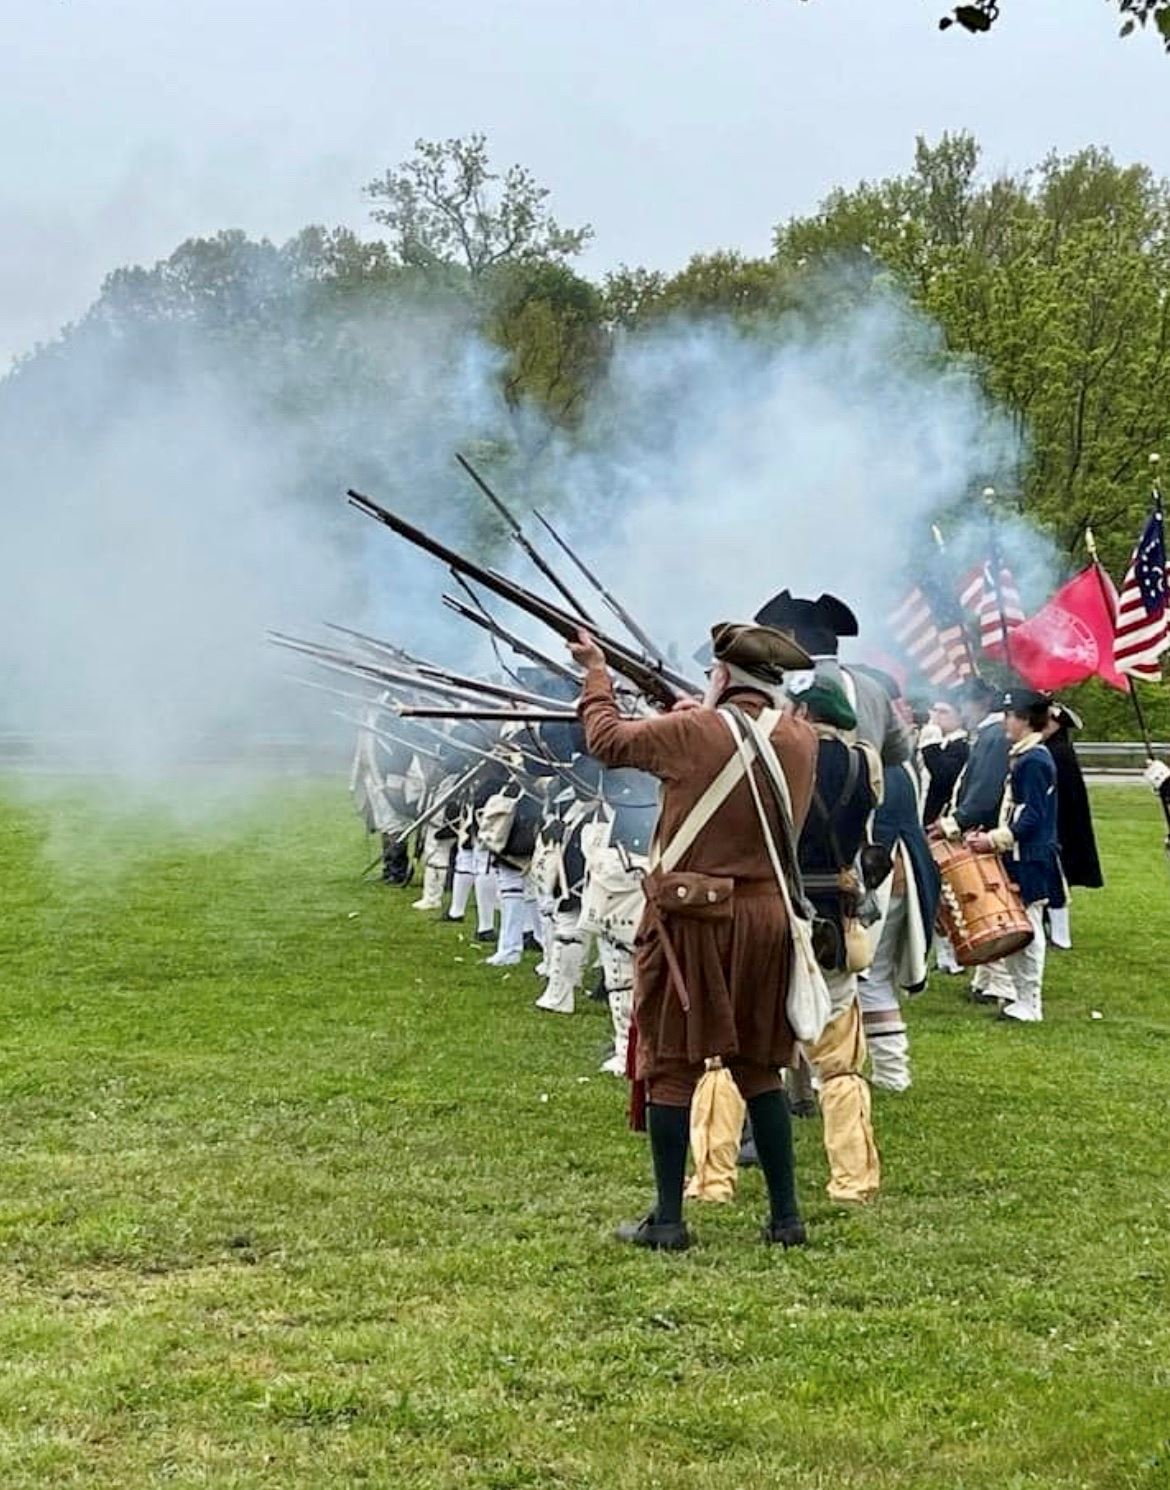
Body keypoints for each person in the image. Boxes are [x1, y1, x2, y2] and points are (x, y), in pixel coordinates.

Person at [574, 621, 817, 1252]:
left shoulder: (693, 732)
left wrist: (595, 671)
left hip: (693, 922)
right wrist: (697, 719)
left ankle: (669, 1218)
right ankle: (786, 1217)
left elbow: (605, 739)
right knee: (761, 1067)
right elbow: (733, 755)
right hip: (767, 920)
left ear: (724, 676)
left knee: (673, 1068)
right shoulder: (800, 738)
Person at [787, 675, 883, 1203]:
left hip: (778, 910)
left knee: (732, 1055)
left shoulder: (780, 755)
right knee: (841, 1060)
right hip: (837, 913)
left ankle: (711, 1178)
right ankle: (853, 1179)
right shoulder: (864, 761)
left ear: (801, 710)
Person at [965, 689, 1061, 1024]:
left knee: (1028, 927)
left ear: (1024, 719)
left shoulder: (1034, 759)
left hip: (1030, 854)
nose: (1006, 721)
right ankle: (1020, 996)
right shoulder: (1026, 755)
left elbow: (1031, 815)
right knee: (1020, 923)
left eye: (1011, 715)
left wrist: (994, 839)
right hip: (1023, 851)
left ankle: (1029, 1001)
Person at [754, 590, 913, 766]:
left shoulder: (779, 685)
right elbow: (900, 751)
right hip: (863, 791)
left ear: (791, 640)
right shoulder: (873, 689)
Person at [860, 759, 940, 1091]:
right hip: (901, 867)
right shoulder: (901, 764)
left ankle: (836, 1075)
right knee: (876, 980)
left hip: (874, 872)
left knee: (863, 980)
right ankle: (891, 1072)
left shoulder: (864, 763)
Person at [935, 676, 1011, 1001]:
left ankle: (1002, 984)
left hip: (986, 829)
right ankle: (986, 978)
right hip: (981, 827)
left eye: (964, 703)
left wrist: (957, 822)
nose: (962, 711)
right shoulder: (989, 735)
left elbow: (985, 791)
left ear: (978, 703)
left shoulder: (994, 737)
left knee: (989, 904)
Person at [1042, 702, 1103, 949]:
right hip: (1057, 820)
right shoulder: (1052, 749)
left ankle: (1060, 934)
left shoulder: (1058, 752)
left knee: (1057, 875)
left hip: (1062, 822)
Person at [919, 699, 970, 828]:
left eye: (943, 712)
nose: (936, 716)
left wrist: (931, 740)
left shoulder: (961, 745)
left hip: (939, 814)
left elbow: (942, 775)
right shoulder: (938, 741)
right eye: (934, 710)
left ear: (959, 717)